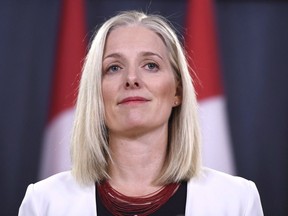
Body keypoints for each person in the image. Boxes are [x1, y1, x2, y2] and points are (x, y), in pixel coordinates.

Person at [19, 10, 264, 216]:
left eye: (151, 65)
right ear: (95, 92)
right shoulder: (44, 203)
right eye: (113, 67)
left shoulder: (237, 201)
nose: (132, 79)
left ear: (177, 91)